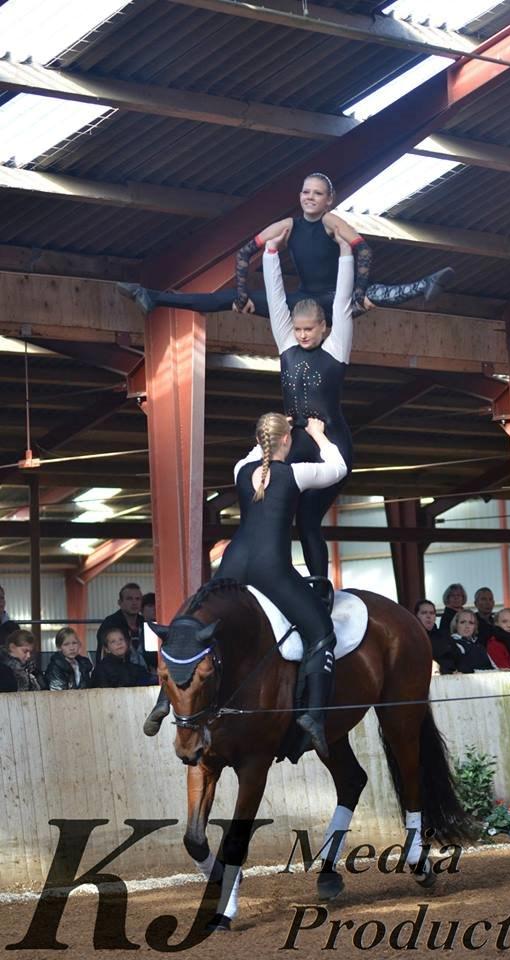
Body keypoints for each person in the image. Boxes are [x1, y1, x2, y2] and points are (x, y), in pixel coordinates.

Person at [144, 413, 347, 758]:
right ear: (287, 441)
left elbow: (257, 454)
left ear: (259, 439)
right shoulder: (295, 473)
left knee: (194, 628)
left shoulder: (241, 470)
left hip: (233, 562)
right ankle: (313, 717)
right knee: (321, 631)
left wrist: (266, 436)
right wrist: (318, 434)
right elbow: (338, 467)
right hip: (271, 567)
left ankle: (165, 702)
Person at [117, 172, 454, 323]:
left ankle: (425, 285)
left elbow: (363, 250)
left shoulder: (330, 222)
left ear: (329, 199)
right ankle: (152, 296)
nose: (310, 197)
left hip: (336, 301)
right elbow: (245, 252)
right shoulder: (288, 226)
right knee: (219, 300)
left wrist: (356, 292)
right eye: (306, 192)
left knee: (376, 294)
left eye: (317, 193)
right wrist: (240, 294)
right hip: (302, 303)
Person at [262, 224, 353, 579]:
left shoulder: (335, 347)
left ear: (324, 327)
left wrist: (346, 253)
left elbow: (343, 301)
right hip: (297, 438)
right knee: (279, 512)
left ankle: (320, 584)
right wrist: (271, 253)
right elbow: (274, 301)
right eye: (297, 329)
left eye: (309, 330)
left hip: (330, 440)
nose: (301, 336)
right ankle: (278, 575)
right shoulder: (286, 345)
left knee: (308, 519)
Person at [96, 582, 149, 668]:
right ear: (120, 602)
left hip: (147, 674)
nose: (134, 603)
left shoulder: (146, 623)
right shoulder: (110, 624)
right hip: (119, 676)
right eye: (129, 599)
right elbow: (103, 655)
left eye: (138, 599)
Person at [414, 599, 455, 674]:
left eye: (432, 613)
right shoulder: (411, 639)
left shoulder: (445, 637)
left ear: (435, 617)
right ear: (416, 616)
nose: (428, 616)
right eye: (424, 613)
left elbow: (456, 660)